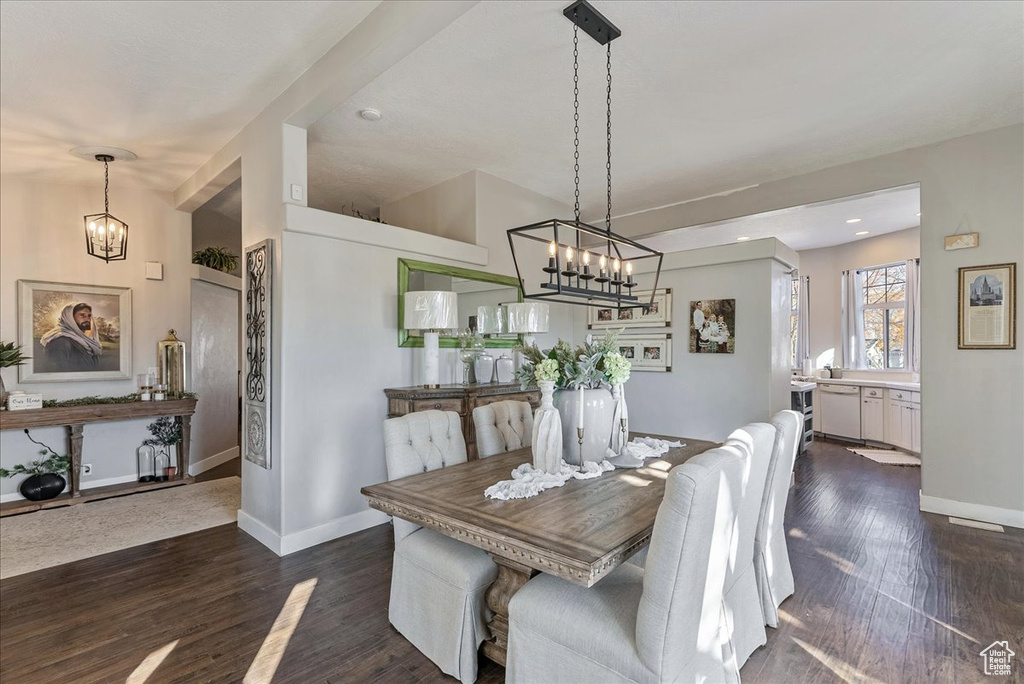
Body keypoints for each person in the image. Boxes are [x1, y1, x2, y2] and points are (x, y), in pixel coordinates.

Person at [40, 303, 102, 372]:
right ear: (70, 318)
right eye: (82, 315)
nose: (87, 319)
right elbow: (56, 373)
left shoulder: (87, 342)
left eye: (89, 316)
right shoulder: (60, 342)